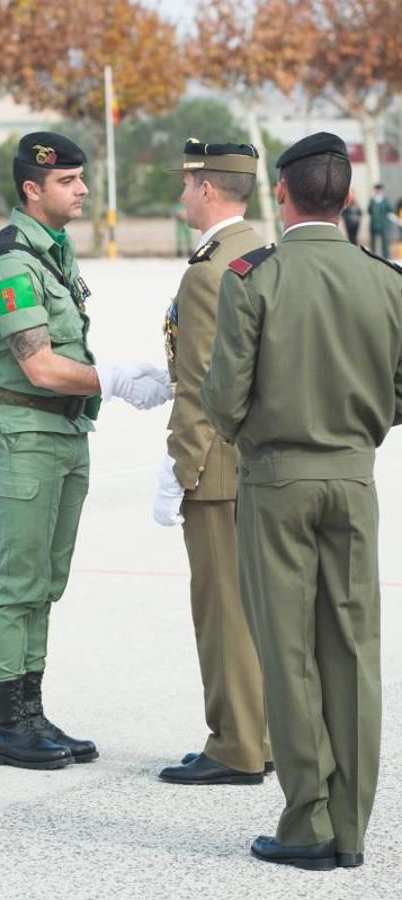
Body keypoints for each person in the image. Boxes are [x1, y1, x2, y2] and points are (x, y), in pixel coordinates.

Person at [201, 132, 402, 871]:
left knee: (287, 655)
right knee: (352, 653)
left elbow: (222, 402)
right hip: (354, 478)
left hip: (274, 480)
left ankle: (304, 824)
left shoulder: (254, 277)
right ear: (346, 197)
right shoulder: (388, 280)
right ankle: (349, 832)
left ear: (279, 195)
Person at [0, 132, 172, 771]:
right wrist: (113, 380)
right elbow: (39, 367)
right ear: (33, 188)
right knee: (19, 583)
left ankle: (32, 711)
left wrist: (106, 385)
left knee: (47, 582)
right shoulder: (12, 264)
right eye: (68, 181)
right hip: (24, 435)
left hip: (62, 434)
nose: (82, 189)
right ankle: (8, 726)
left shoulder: (54, 253)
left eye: (82, 178)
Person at [154, 139, 271, 787]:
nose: (180, 194)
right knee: (258, 608)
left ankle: (233, 744)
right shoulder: (261, 250)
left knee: (221, 607)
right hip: (259, 460)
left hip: (217, 470)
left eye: (186, 183)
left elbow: (199, 385)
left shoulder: (206, 270)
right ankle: (266, 732)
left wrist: (180, 469)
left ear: (206, 188)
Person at [368, 182, 393, 258]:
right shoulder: (372, 200)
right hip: (374, 224)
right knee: (373, 242)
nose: (378, 191)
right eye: (377, 190)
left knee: (385, 242)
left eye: (379, 189)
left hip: (383, 224)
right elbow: (369, 210)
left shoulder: (385, 200)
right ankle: (373, 256)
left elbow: (390, 210)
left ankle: (386, 257)